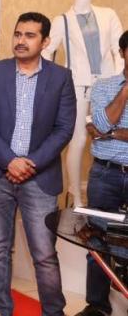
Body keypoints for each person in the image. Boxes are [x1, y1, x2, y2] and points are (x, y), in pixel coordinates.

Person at [0, 12, 76, 316]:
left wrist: (30, 163)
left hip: (39, 178)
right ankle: (1, 310)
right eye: (18, 34)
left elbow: (64, 129)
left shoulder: (60, 77)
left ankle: (53, 312)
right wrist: (9, 161)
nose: (21, 40)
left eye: (30, 35)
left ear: (45, 42)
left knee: (44, 254)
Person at [42, 0, 124, 207]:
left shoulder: (108, 15)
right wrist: (54, 80)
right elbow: (46, 52)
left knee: (109, 136)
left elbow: (119, 50)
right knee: (78, 139)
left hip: (107, 87)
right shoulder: (62, 20)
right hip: (78, 86)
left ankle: (112, 192)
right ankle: (76, 197)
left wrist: (118, 79)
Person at [76, 30, 128, 316]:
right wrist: (126, 89)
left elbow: (105, 130)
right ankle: (97, 306)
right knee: (97, 239)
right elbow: (102, 124)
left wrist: (114, 133)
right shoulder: (104, 86)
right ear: (122, 53)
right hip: (105, 175)